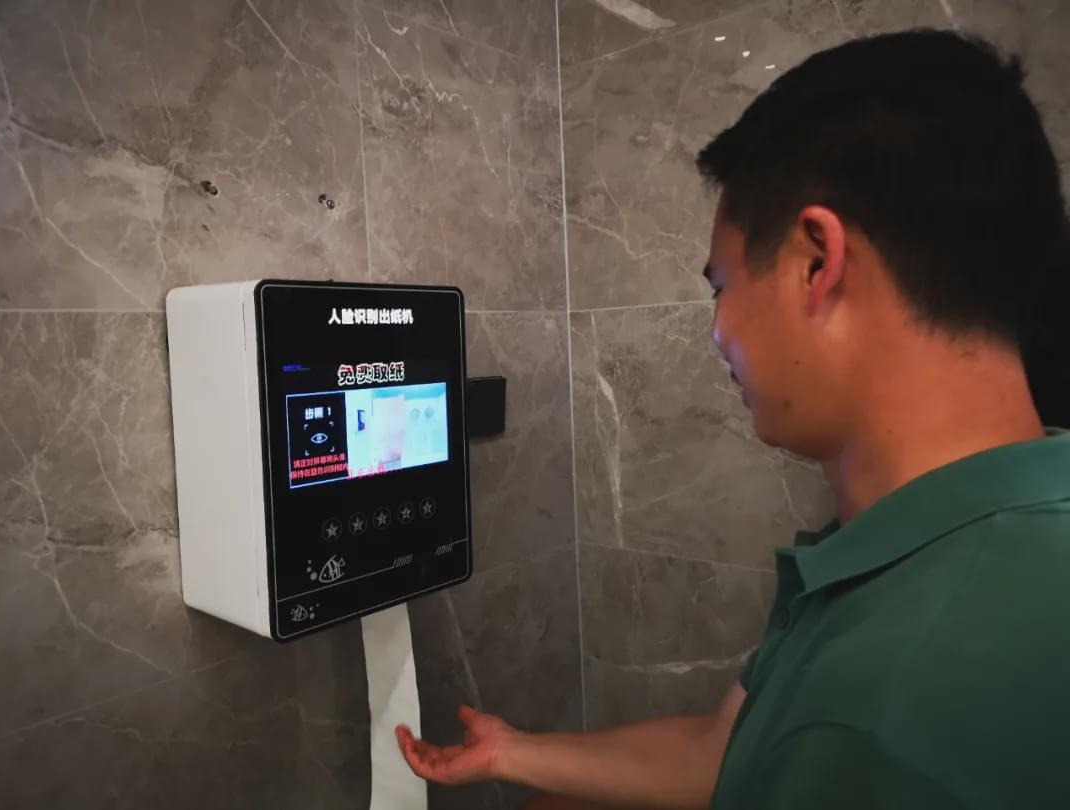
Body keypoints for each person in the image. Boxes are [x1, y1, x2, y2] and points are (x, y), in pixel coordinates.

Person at [396, 29, 1070, 809]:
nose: (718, 331)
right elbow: (726, 752)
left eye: (721, 285)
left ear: (817, 263)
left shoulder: (882, 718)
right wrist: (513, 752)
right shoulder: (953, 536)